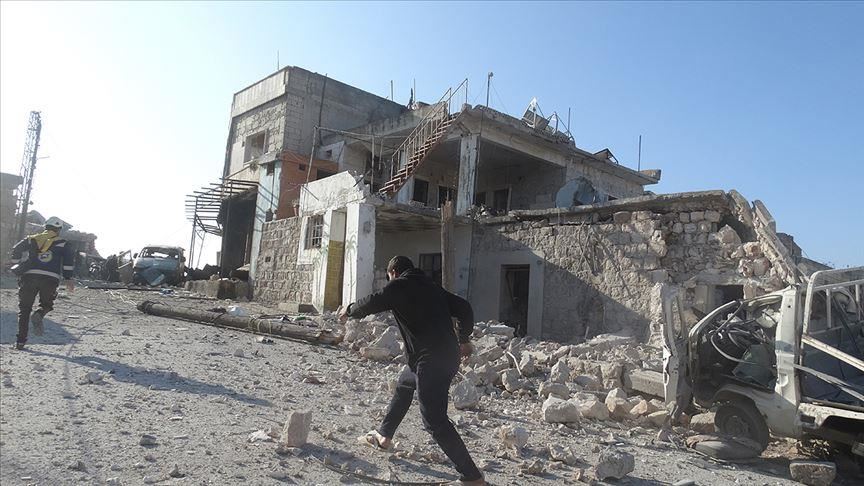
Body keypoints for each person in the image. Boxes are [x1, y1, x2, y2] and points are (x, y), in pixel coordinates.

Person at [339, 255, 485, 486]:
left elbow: (370, 302)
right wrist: (464, 338)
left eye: (390, 277)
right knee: (405, 384)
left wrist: (349, 310)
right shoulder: (433, 288)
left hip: (431, 361)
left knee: (434, 420)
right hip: (443, 357)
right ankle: (384, 436)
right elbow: (464, 308)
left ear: (394, 272)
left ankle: (473, 477)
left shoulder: (399, 285)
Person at [9, 216, 75, 350]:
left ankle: (20, 342)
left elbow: (16, 249)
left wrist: (16, 264)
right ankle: (39, 313)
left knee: (24, 310)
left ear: (45, 227)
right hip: (50, 279)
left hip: (29, 277)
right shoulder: (64, 243)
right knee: (47, 304)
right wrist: (68, 278)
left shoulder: (32, 239)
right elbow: (68, 262)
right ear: (59, 230)